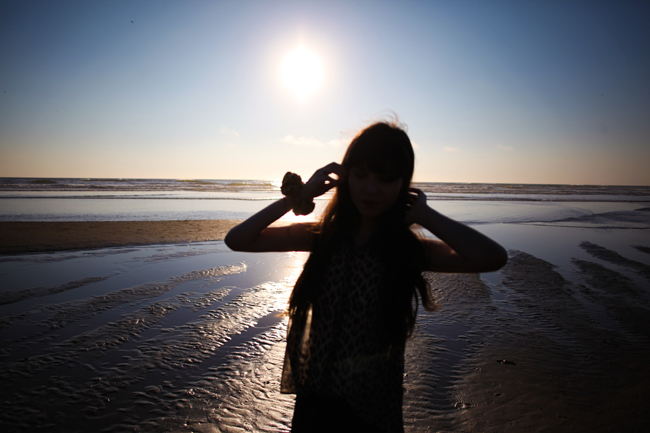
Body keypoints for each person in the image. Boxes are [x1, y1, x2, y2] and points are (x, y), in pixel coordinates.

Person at [225, 121, 507, 432]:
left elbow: (492, 257)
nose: (371, 189)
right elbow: (238, 239)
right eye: (360, 175)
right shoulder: (322, 238)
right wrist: (299, 197)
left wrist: (426, 215)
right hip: (316, 406)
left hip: (373, 413)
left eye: (386, 179)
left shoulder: (405, 250)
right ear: (345, 179)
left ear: (403, 184)